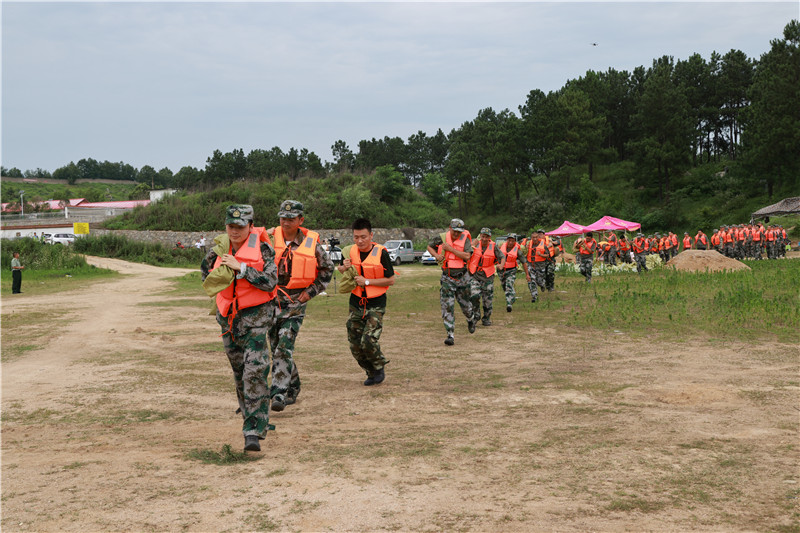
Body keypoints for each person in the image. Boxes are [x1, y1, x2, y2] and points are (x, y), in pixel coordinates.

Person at [200, 205, 278, 452]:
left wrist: (242, 270)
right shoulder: (218, 250)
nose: (235, 231)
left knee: (254, 371)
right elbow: (205, 275)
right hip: (229, 320)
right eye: (231, 226)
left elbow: (271, 281)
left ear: (250, 225)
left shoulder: (263, 248)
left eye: (240, 226)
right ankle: (250, 416)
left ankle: (253, 431)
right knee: (239, 372)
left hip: (255, 320)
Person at [269, 200, 333, 410]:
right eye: (283, 218)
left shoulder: (311, 243)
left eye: (291, 218)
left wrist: (311, 292)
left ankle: (278, 393)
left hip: (295, 302)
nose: (285, 222)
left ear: (300, 220)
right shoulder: (269, 239)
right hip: (270, 302)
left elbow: (327, 270)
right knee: (276, 348)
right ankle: (293, 385)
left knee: (284, 346)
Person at [337, 218, 395, 386]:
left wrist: (367, 282)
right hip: (356, 303)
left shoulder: (381, 253)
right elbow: (341, 269)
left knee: (368, 340)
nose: (360, 241)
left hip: (376, 303)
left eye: (363, 236)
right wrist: (343, 267)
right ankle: (370, 372)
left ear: (371, 235)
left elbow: (390, 280)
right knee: (354, 344)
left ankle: (379, 366)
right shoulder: (348, 252)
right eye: (356, 237)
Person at [427, 218, 476, 346]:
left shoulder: (465, 239)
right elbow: (429, 246)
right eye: (454, 231)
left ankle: (470, 319)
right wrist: (436, 256)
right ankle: (450, 334)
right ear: (450, 228)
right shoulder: (442, 237)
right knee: (447, 306)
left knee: (465, 305)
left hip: (462, 277)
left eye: (459, 232)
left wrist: (451, 249)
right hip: (447, 277)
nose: (456, 234)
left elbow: (467, 256)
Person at [468, 228, 504, 326]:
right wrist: (472, 245)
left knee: (487, 300)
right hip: (475, 275)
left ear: (489, 237)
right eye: (483, 236)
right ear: (480, 236)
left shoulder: (493, 246)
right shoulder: (474, 244)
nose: (484, 239)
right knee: (473, 295)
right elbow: (466, 254)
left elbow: (502, 257)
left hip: (488, 276)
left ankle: (486, 318)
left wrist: (501, 265)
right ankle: (476, 315)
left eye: (486, 237)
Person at [498, 234, 521, 313]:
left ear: (515, 241)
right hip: (502, 270)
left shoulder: (517, 249)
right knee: (504, 286)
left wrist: (527, 274)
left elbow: (523, 261)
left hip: (512, 270)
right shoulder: (501, 246)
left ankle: (509, 304)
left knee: (509, 285)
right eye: (509, 240)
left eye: (512, 241)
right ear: (506, 240)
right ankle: (512, 296)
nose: (510, 242)